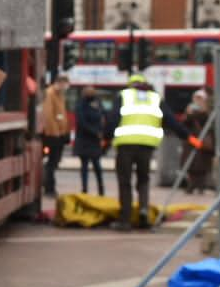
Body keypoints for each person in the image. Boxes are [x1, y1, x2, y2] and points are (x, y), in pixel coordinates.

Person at [107, 72, 198, 230]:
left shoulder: (124, 96)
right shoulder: (155, 98)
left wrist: (105, 138)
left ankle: (125, 220)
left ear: (131, 85)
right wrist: (189, 137)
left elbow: (113, 119)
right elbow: (170, 120)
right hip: (147, 146)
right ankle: (143, 212)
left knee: (125, 182)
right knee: (143, 180)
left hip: (125, 144)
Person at [40, 73, 71, 195]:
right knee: (51, 163)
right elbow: (49, 115)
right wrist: (55, 133)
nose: (66, 87)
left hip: (59, 134)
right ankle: (49, 187)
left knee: (54, 162)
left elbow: (61, 115)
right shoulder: (50, 94)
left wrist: (65, 131)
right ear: (60, 82)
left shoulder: (60, 95)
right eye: (65, 83)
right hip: (53, 135)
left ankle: (49, 186)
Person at [73, 84, 108, 195]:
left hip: (93, 141)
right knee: (85, 166)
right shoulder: (81, 105)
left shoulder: (97, 103)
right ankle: (85, 189)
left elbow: (103, 116)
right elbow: (82, 122)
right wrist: (96, 132)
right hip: (85, 139)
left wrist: (101, 131)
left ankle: (100, 188)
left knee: (96, 166)